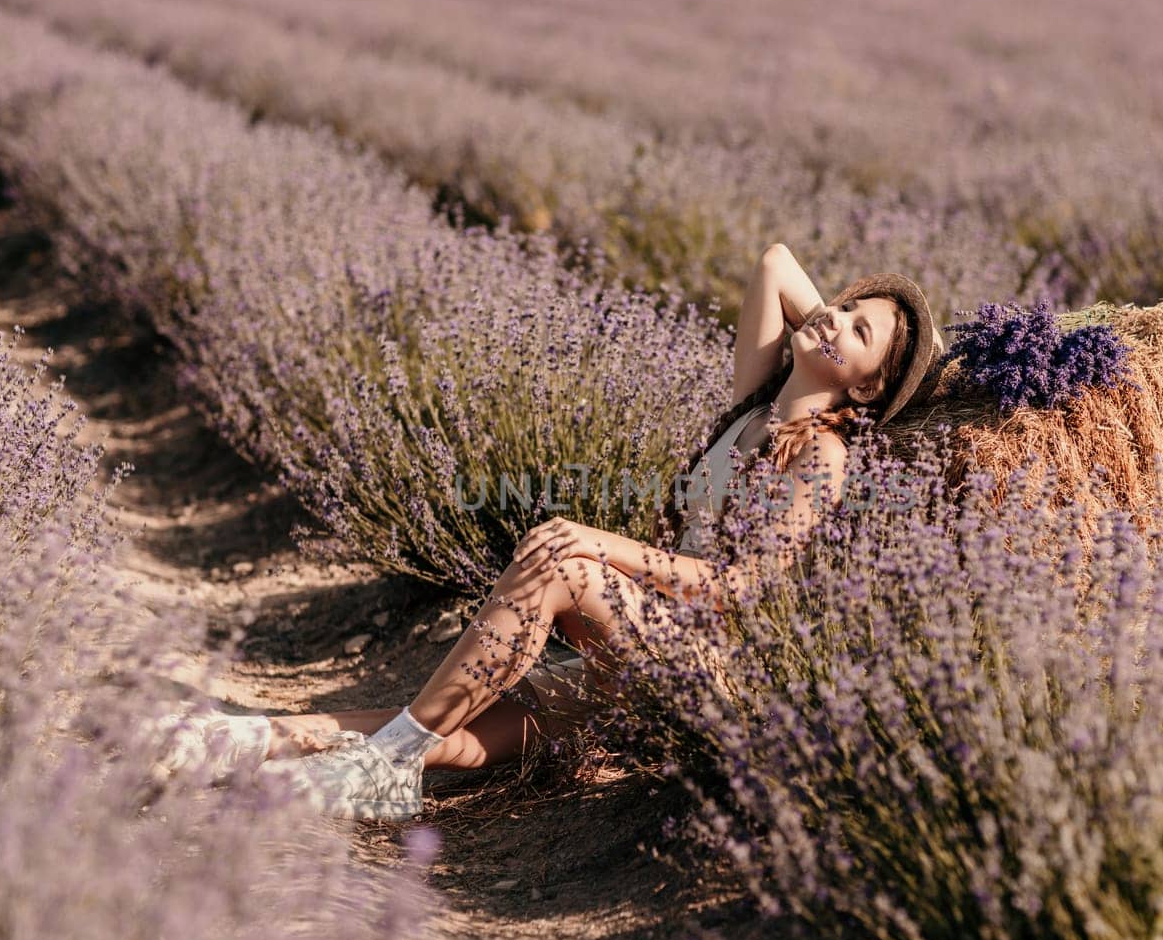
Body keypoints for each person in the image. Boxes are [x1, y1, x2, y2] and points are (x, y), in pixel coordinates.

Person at [151, 246, 944, 820]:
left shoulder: (824, 457)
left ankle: (379, 767)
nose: (833, 318)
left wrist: (603, 544)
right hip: (636, 642)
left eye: (859, 332)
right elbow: (774, 262)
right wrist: (842, 336)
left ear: (869, 388)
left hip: (701, 663)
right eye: (840, 305)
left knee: (565, 557)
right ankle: (257, 739)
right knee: (459, 738)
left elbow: (741, 586)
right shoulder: (758, 400)